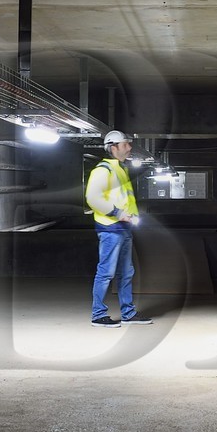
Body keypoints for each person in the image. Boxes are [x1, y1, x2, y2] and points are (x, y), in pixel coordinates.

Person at [86, 130, 153, 327]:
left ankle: (128, 313)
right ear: (113, 147)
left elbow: (125, 199)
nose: (129, 147)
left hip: (124, 228)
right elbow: (93, 198)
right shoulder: (103, 170)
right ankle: (98, 315)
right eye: (125, 144)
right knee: (106, 272)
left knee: (126, 272)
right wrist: (117, 213)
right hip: (110, 228)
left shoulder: (121, 170)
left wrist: (132, 216)